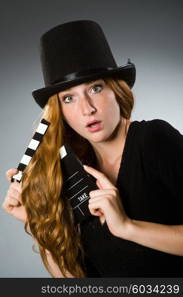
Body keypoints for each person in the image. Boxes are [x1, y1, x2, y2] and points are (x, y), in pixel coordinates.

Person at [2, 20, 183, 278]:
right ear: (60, 111)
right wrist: (36, 223)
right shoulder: (73, 174)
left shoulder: (153, 139)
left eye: (95, 88)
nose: (87, 108)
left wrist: (127, 227)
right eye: (69, 98)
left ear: (116, 90)